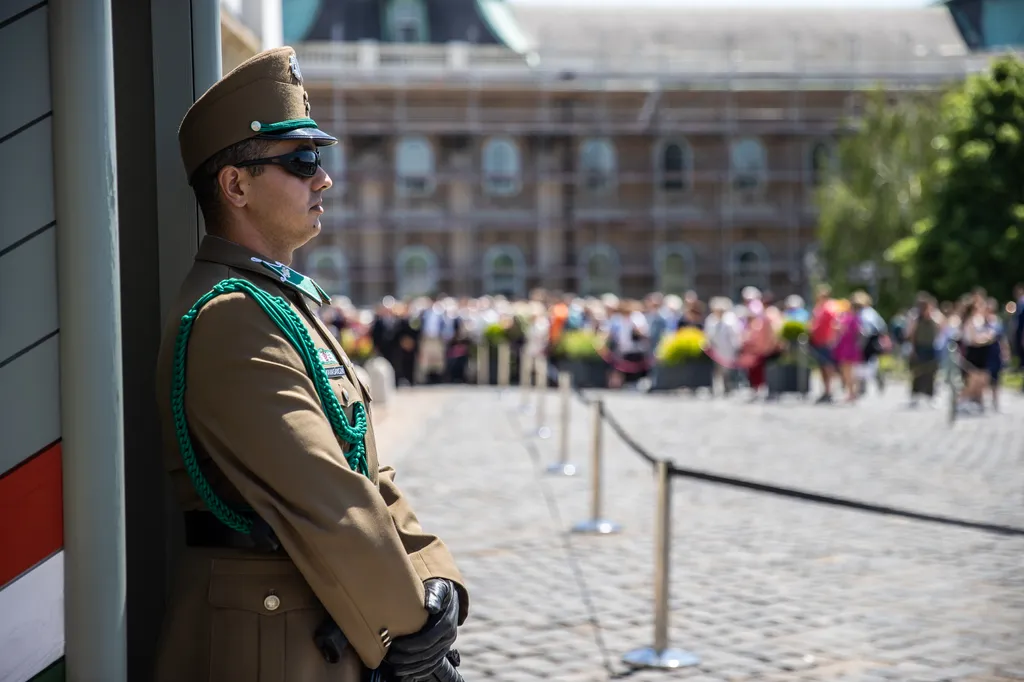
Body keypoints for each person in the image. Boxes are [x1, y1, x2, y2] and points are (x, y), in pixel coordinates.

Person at [153, 47, 468, 682]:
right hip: (271, 645)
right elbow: (328, 502)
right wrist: (409, 633)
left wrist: (436, 580)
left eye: (318, 160)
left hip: (317, 624)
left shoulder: (277, 302)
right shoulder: (231, 317)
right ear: (235, 185)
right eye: (300, 162)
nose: (322, 178)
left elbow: (365, 465)